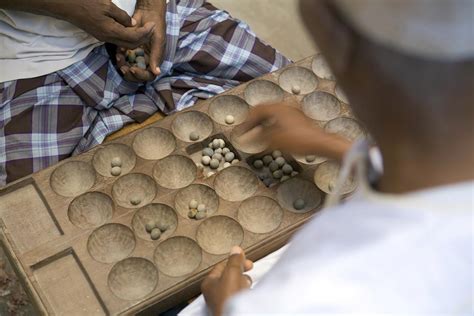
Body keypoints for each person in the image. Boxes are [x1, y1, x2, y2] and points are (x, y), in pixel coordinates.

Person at [183, 0, 473, 315]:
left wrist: (228, 307)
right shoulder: (444, 160)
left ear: (338, 41)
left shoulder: (313, 297)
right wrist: (332, 146)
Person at [0, 0, 290, 186]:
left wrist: (153, 6)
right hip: (35, 61)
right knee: (26, 201)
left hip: (146, 18)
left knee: (285, 89)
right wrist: (69, 7)